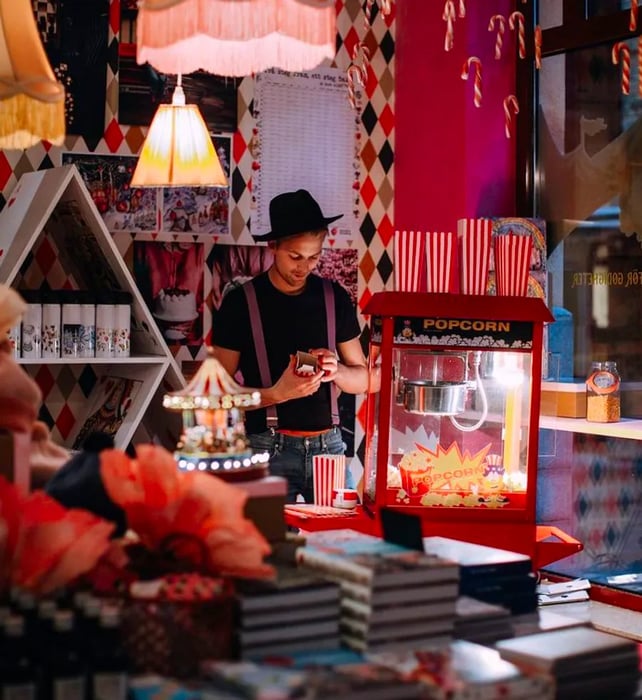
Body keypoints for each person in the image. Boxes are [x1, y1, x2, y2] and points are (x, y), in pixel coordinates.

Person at [212, 189, 368, 503]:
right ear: (273, 246)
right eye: (295, 256)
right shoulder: (240, 303)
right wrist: (276, 393)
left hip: (330, 449)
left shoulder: (333, 297)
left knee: (338, 545)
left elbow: (365, 379)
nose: (304, 267)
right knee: (264, 548)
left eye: (313, 256)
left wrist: (336, 371)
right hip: (265, 448)